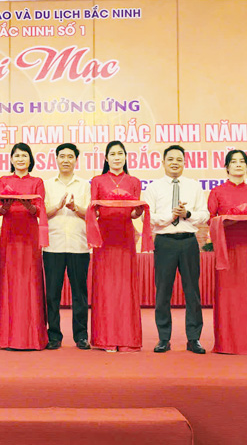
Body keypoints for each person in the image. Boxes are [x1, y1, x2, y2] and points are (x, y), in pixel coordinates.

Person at [144, 145, 208, 354]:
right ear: (163, 162)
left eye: (179, 159)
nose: (175, 163)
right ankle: (164, 338)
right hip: (165, 242)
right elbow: (148, 216)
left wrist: (187, 214)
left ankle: (194, 338)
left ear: (184, 162)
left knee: (192, 291)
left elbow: (204, 214)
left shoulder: (194, 186)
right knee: (163, 291)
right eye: (170, 159)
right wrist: (170, 217)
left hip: (188, 242)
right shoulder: (153, 188)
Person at [206, 150, 247, 355]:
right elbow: (211, 221)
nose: (238, 165)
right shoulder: (217, 192)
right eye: (234, 162)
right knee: (228, 293)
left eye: (242, 161)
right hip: (226, 247)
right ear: (227, 167)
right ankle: (227, 342)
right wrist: (228, 220)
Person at [0, 142, 48, 350]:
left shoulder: (37, 182)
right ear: (11, 159)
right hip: (10, 235)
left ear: (30, 159)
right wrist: (3, 208)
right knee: (9, 280)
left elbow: (40, 211)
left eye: (24, 155)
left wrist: (30, 207)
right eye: (17, 156)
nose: (20, 159)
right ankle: (8, 337)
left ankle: (32, 337)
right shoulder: (3, 181)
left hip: (30, 237)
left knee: (31, 281)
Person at [89, 141, 146, 352]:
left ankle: (126, 337)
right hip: (104, 237)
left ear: (125, 157)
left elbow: (134, 213)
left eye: (120, 153)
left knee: (124, 285)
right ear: (106, 158)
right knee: (105, 286)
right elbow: (94, 210)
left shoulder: (134, 182)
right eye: (112, 154)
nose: (116, 157)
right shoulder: (97, 181)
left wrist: (139, 211)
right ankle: (106, 338)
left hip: (125, 236)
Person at [43, 143, 91, 350]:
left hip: (78, 246)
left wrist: (75, 207)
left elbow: (92, 214)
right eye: (62, 156)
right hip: (52, 246)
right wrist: (57, 207)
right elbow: (40, 213)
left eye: (70, 156)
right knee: (52, 294)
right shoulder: (46, 185)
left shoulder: (85, 185)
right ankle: (54, 336)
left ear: (76, 160)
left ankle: (81, 336)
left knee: (80, 294)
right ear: (56, 159)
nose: (65, 160)